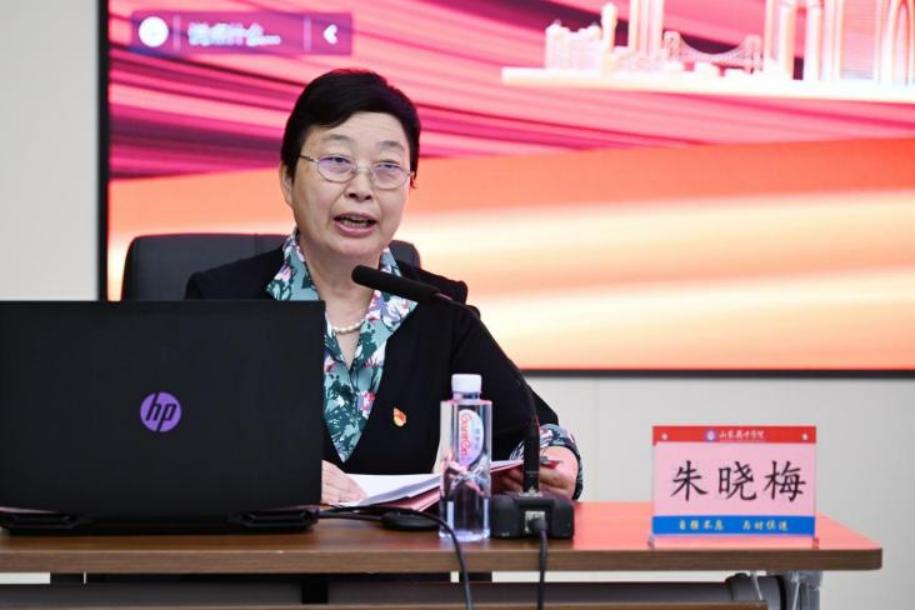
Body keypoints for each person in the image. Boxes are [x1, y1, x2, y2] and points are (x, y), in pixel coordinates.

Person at [186, 69, 582, 504]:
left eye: (387, 168)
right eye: (337, 162)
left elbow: (530, 429)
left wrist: (554, 458)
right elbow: (177, 440)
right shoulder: (221, 299)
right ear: (287, 179)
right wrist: (272, 471)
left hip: (396, 548)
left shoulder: (439, 309)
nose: (361, 189)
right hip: (264, 546)